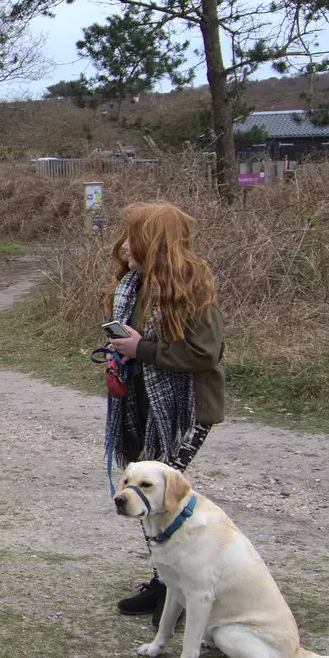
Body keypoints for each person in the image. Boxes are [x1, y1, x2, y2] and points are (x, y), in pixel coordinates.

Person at [103, 201, 225, 619]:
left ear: (153, 242)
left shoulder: (192, 288)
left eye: (132, 236)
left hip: (185, 412)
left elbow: (205, 354)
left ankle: (178, 590)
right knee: (142, 494)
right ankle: (163, 584)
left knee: (167, 500)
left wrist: (143, 349)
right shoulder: (135, 285)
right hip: (141, 406)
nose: (123, 244)